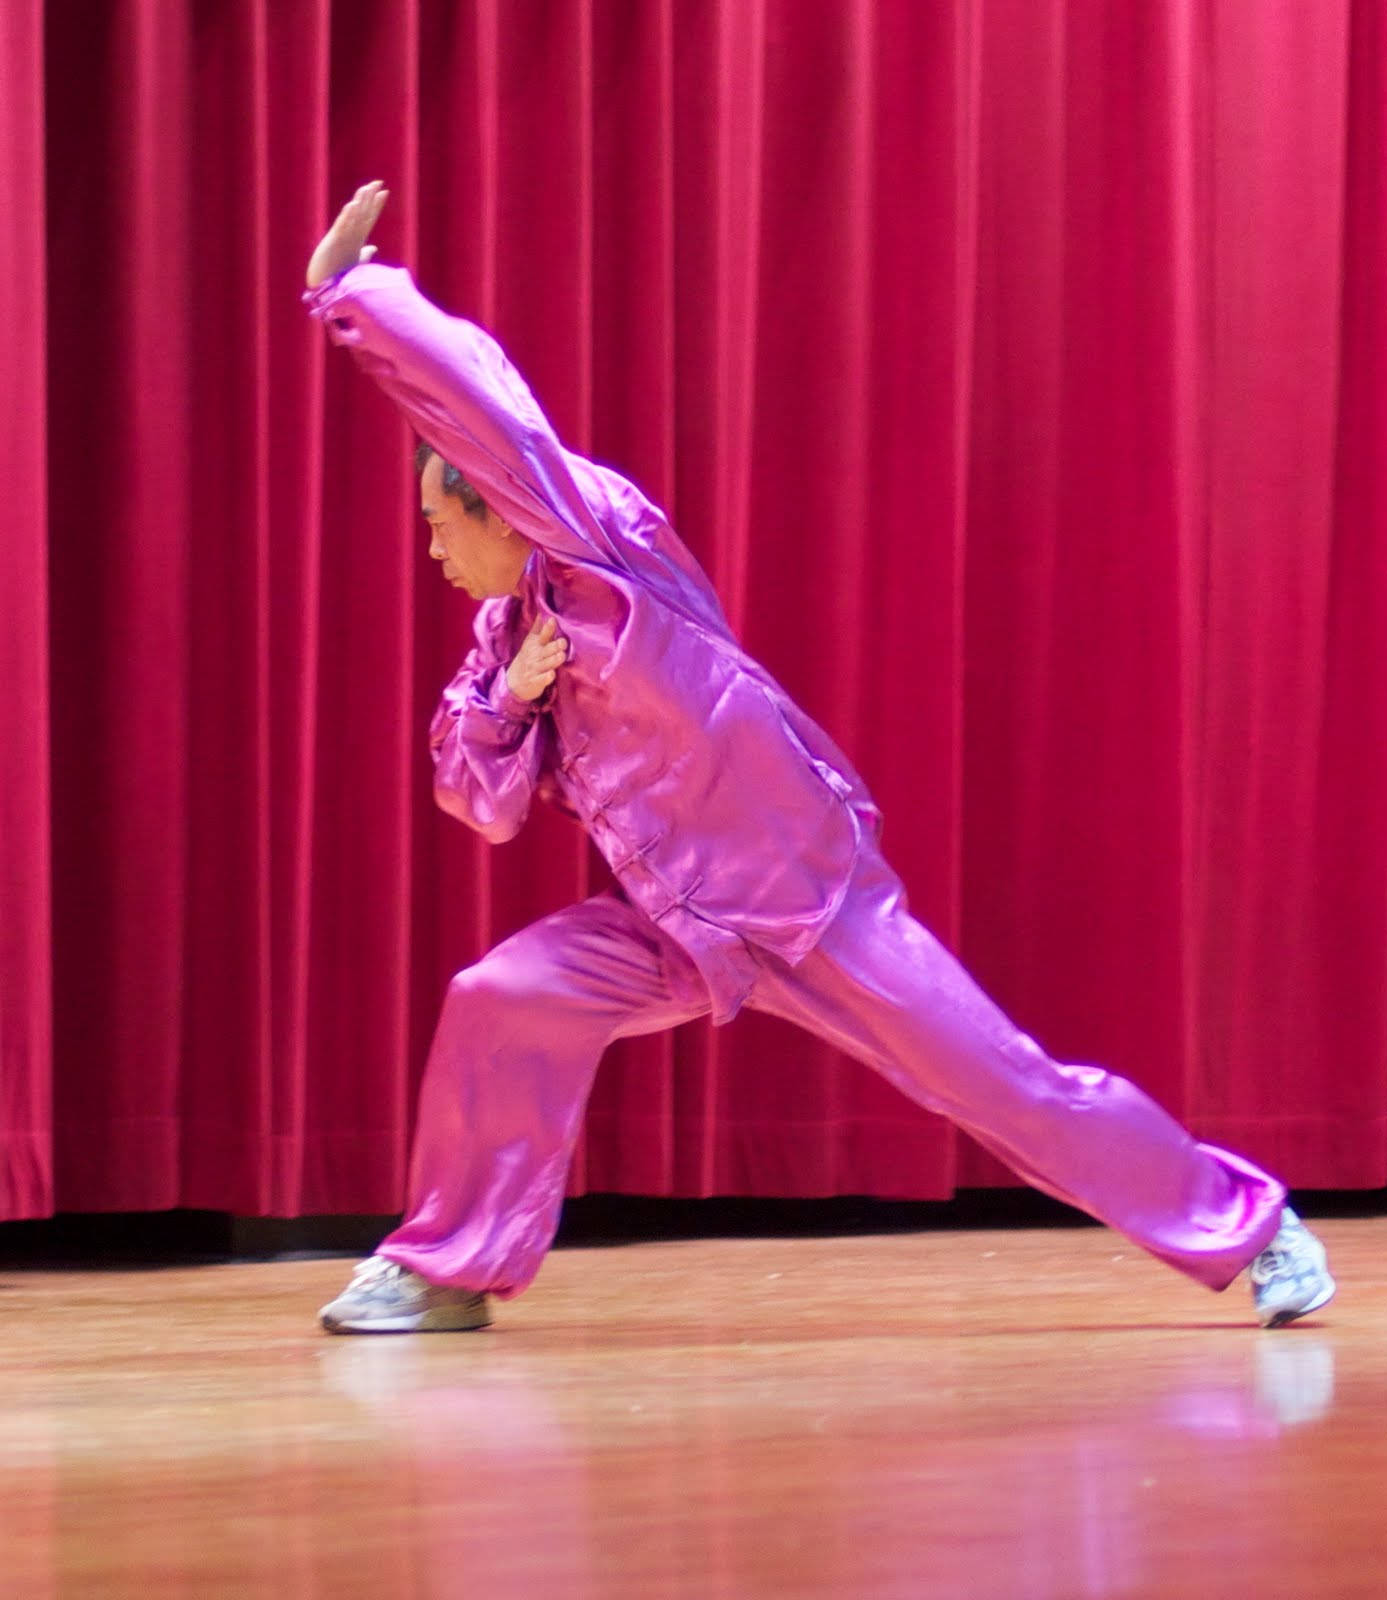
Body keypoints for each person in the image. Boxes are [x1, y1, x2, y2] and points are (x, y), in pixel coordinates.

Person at [304, 182, 1334, 1336]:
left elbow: (490, 415)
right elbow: (476, 803)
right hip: (674, 926)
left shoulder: (603, 554)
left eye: (447, 525)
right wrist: (512, 694)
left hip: (812, 901)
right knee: (504, 997)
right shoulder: (507, 641)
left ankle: (1255, 1225)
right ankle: (445, 1269)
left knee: (1006, 1086)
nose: (437, 551)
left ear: (501, 512)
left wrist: (356, 296)